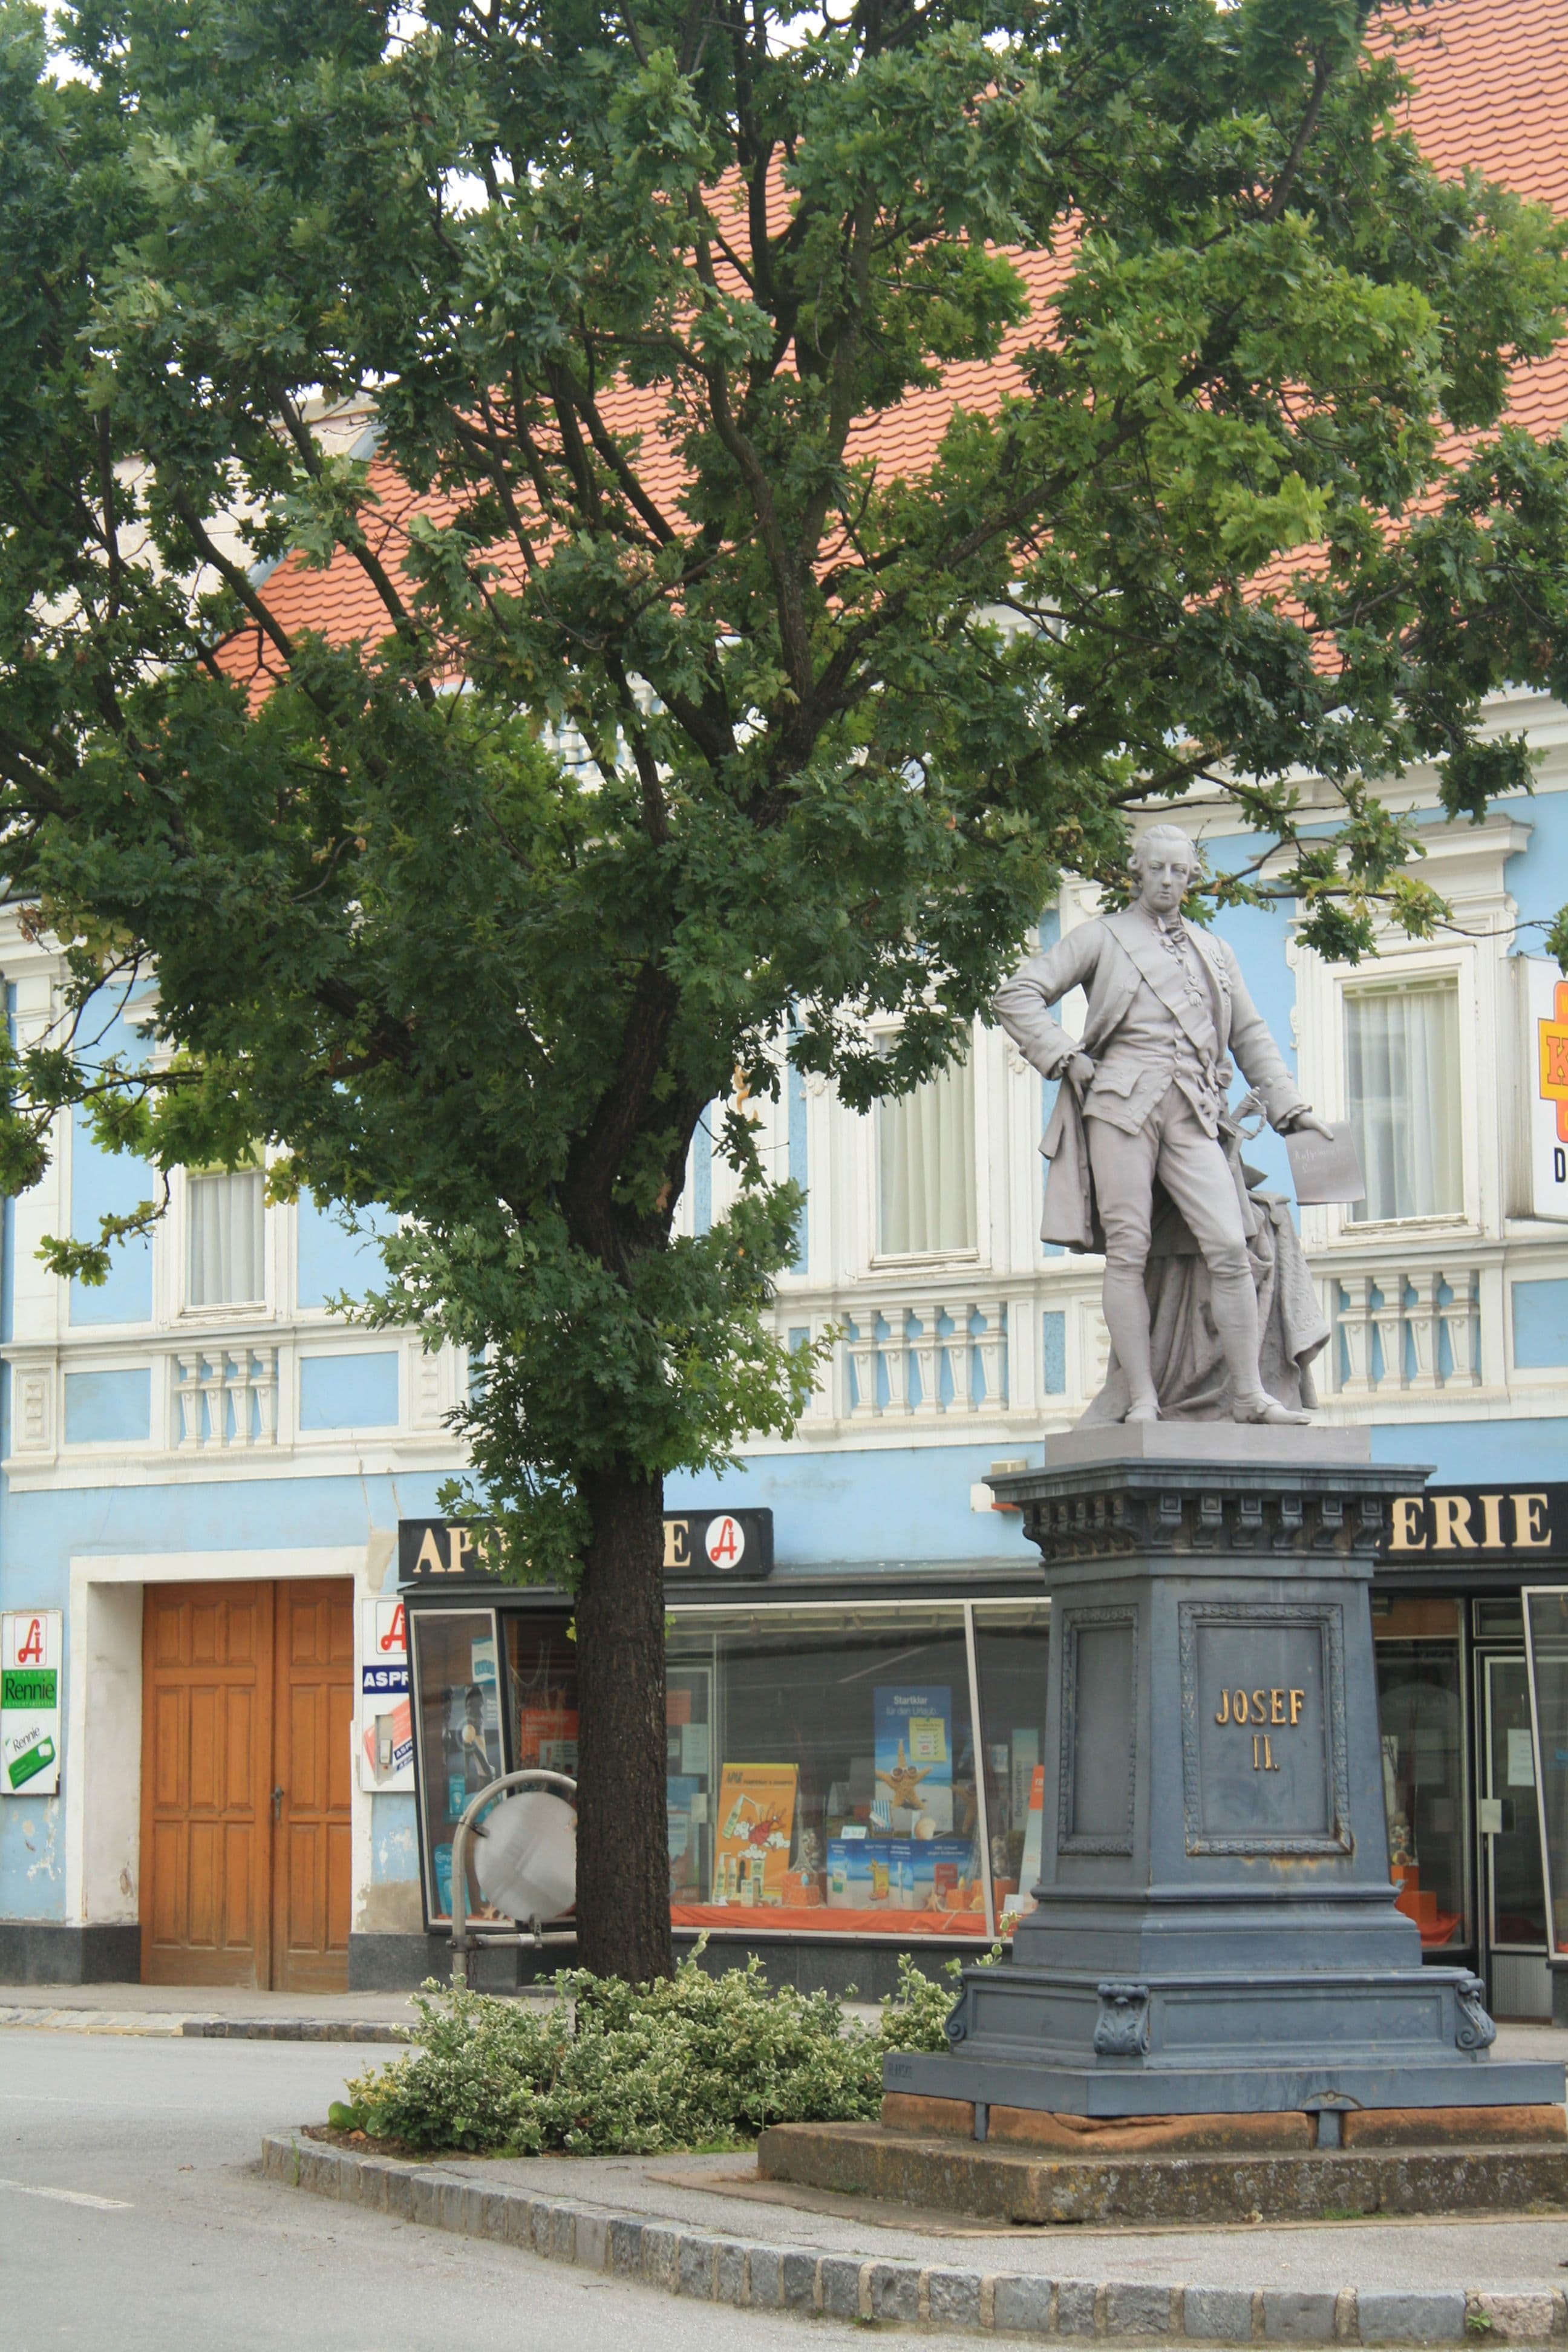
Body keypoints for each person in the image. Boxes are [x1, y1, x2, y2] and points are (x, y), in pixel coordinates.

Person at [992, 825, 1335, 1426]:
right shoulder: (1102, 937)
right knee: (1128, 1251)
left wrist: (1290, 1107)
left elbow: (1250, 1035)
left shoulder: (1215, 951)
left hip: (1195, 1110)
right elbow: (1018, 994)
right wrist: (1064, 1056)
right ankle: (1144, 1398)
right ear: (1138, 872)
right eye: (1158, 869)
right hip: (1121, 1106)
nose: (1169, 881)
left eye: (1180, 871)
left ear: (1192, 877)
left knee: (1231, 1244)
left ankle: (1249, 1395)